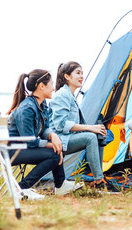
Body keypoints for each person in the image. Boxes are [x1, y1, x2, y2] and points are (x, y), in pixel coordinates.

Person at [7, 69, 81, 199]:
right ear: (41, 86)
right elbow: (29, 141)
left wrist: (53, 136)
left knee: (57, 151)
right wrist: (52, 145)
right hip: (12, 150)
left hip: (24, 148)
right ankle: (21, 188)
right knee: (55, 154)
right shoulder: (27, 109)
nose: (53, 88)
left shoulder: (42, 104)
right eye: (51, 84)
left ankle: (60, 185)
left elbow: (45, 129)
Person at [50, 61, 118, 192]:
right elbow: (61, 125)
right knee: (90, 137)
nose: (82, 76)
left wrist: (95, 128)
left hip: (69, 137)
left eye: (82, 73)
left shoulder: (70, 95)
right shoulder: (62, 94)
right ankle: (98, 181)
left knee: (99, 133)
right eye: (78, 73)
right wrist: (89, 128)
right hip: (59, 140)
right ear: (67, 77)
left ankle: (100, 178)